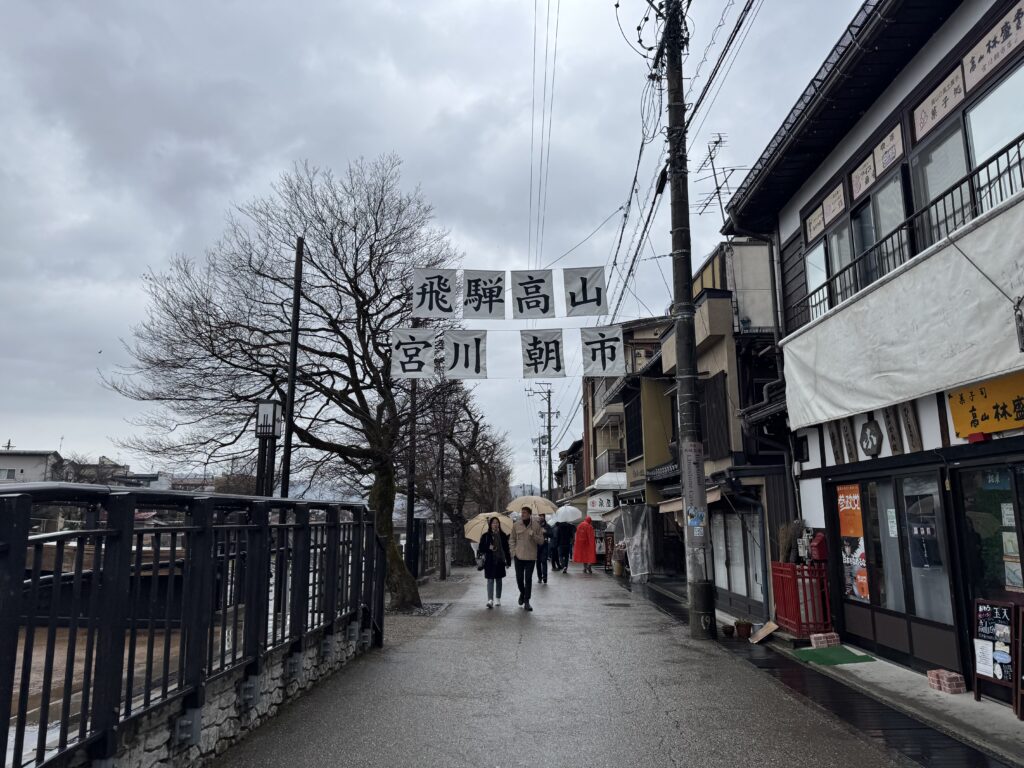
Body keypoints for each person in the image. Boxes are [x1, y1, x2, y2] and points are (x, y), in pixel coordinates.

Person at [510, 506, 545, 611]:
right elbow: (512, 539)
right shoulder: (516, 525)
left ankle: (527, 601)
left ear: (529, 514)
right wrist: (513, 552)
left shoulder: (536, 526)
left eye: (525, 512)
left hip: (530, 557)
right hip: (519, 556)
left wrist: (533, 535)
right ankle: (522, 593)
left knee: (528, 579)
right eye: (522, 512)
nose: (523, 514)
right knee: (519, 579)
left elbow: (541, 541)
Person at [477, 516, 511, 608]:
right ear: (490, 525)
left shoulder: (503, 535)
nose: (495, 524)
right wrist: (489, 547)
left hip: (500, 560)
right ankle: (490, 600)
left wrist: (508, 561)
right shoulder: (486, 536)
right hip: (489, 561)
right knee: (490, 580)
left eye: (497, 523)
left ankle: (498, 598)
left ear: (499, 524)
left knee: (499, 579)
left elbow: (506, 549)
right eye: (493, 523)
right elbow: (481, 548)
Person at [536, 513, 552, 584]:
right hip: (536, 546)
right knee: (538, 563)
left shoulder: (547, 526)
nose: (540, 517)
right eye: (539, 516)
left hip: (544, 546)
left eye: (542, 516)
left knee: (544, 561)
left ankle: (545, 577)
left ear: (544, 517)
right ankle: (539, 577)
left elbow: (551, 535)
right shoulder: (535, 526)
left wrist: (546, 532)